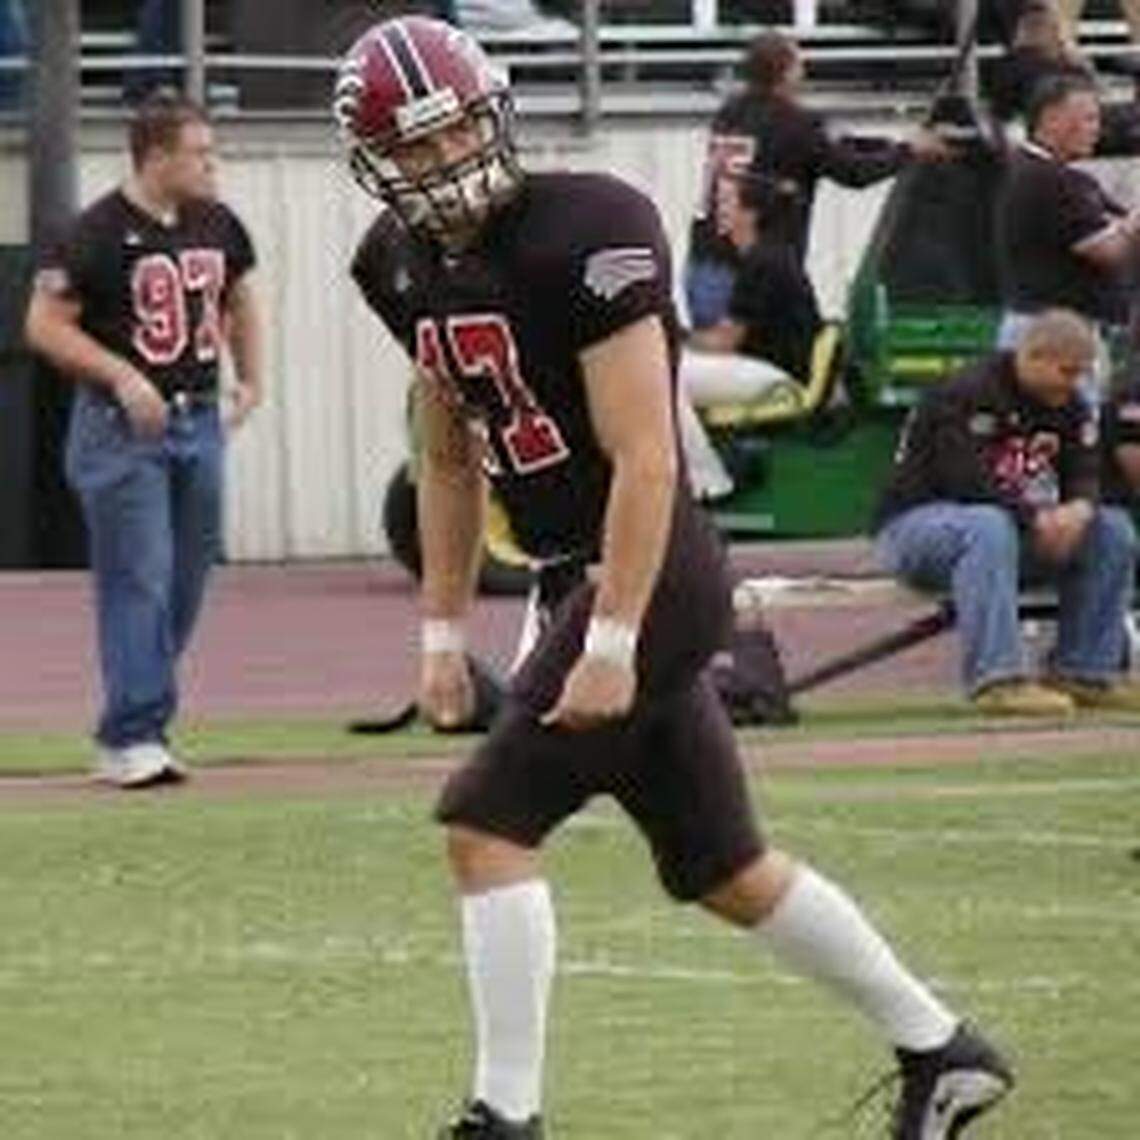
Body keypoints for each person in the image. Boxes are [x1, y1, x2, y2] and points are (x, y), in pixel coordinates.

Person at [336, 17, 1013, 1139]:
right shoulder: (394, 261)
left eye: (455, 134)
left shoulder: (590, 225)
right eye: (412, 152)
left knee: (485, 824)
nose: (442, 166)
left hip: (650, 572)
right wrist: (439, 633)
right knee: (725, 867)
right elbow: (448, 448)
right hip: (569, 575)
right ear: (372, 163)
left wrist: (611, 640)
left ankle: (505, 1119)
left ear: (496, 114)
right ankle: (945, 1051)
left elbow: (648, 455)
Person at [24, 91, 264, 787]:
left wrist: (252, 379)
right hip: (117, 429)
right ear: (155, 156)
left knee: (185, 584)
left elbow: (241, 294)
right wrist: (123, 376)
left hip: (197, 421)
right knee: (140, 580)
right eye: (199, 152)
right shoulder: (94, 232)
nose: (212, 164)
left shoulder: (217, 222)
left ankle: (133, 725)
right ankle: (134, 734)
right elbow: (42, 324)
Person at [875, 309, 1140, 716]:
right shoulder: (965, 393)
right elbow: (966, 482)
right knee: (986, 524)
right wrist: (1036, 519)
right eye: (1066, 371)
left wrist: (1080, 509)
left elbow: (1087, 470)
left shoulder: (1071, 403)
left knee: (1113, 529)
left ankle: (1086, 672)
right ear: (1031, 357)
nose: (1073, 383)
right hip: (919, 530)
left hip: (1017, 532)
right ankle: (997, 680)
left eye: (1081, 373)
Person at [685, 29, 948, 329]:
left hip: (704, 262)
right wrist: (909, 152)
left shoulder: (729, 113)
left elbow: (832, 146)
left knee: (714, 369)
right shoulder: (797, 122)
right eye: (799, 63)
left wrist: (896, 144)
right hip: (753, 277)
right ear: (786, 72)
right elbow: (853, 172)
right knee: (775, 367)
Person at [995, 72, 1140, 353]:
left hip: (1045, 327)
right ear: (1051, 118)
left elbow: (1116, 220)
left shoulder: (1040, 172)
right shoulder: (1049, 180)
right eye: (1088, 119)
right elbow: (1110, 251)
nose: (1096, 129)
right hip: (1053, 336)